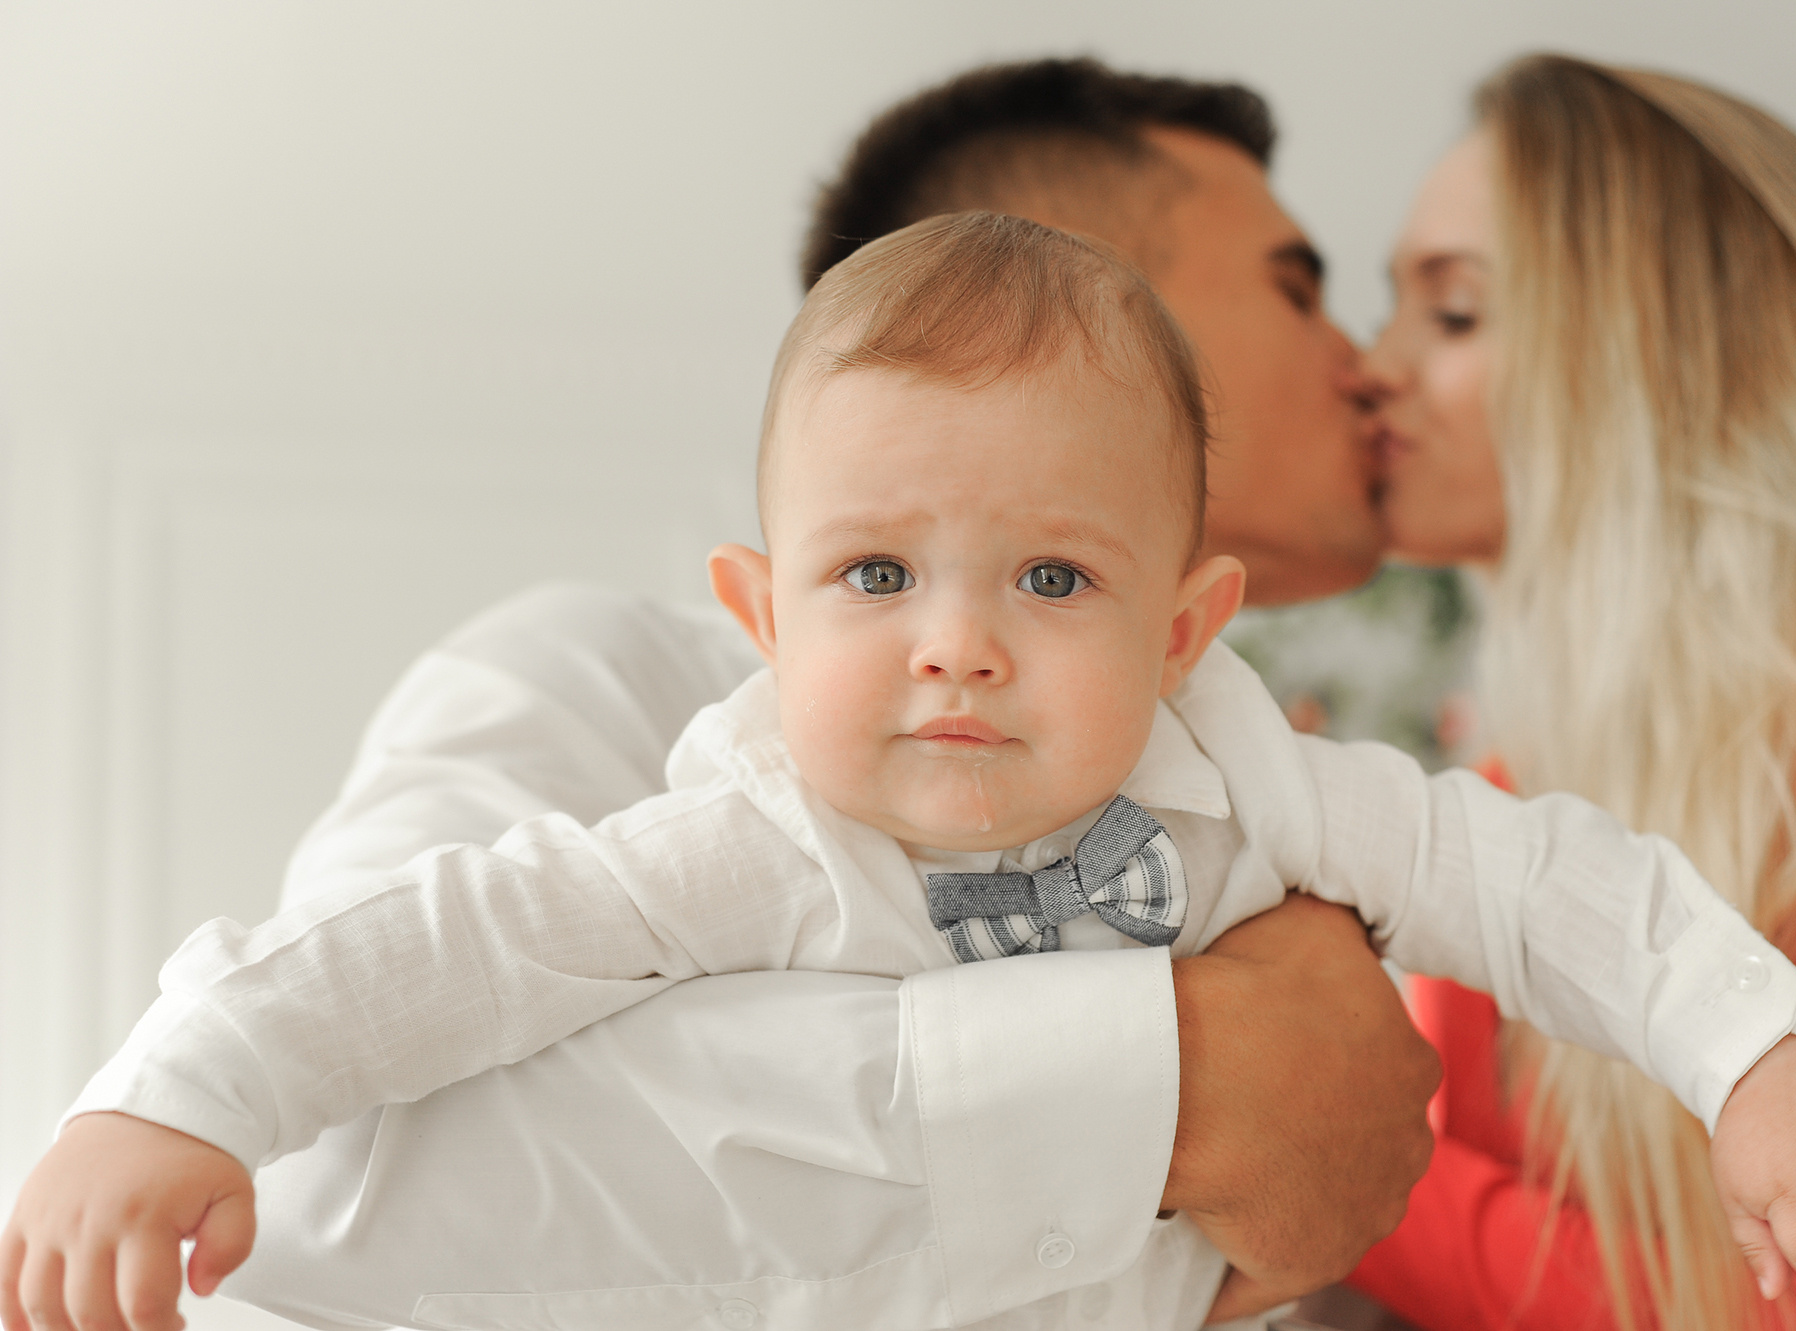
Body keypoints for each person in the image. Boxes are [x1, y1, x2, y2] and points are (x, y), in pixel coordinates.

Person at [6, 210, 1796, 1331]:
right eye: (876, 576)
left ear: (1185, 627)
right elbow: (435, 951)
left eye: (1050, 577)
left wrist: (1756, 1054)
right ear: (764, 612)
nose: (955, 641)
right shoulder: (739, 832)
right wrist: (174, 1094)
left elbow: (1545, 882)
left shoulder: (1250, 779)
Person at [5, 61, 1437, 1331]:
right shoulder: (592, 681)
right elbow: (333, 1179)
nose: (1365, 363)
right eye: (1295, 288)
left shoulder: (1280, 795)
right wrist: (1183, 1082)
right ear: (1045, 300)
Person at [1338, 54, 1796, 1331]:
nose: (1372, 365)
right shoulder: (1494, 798)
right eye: (1393, 307)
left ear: (1642, 351)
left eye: (1454, 313)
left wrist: (1335, 1176)